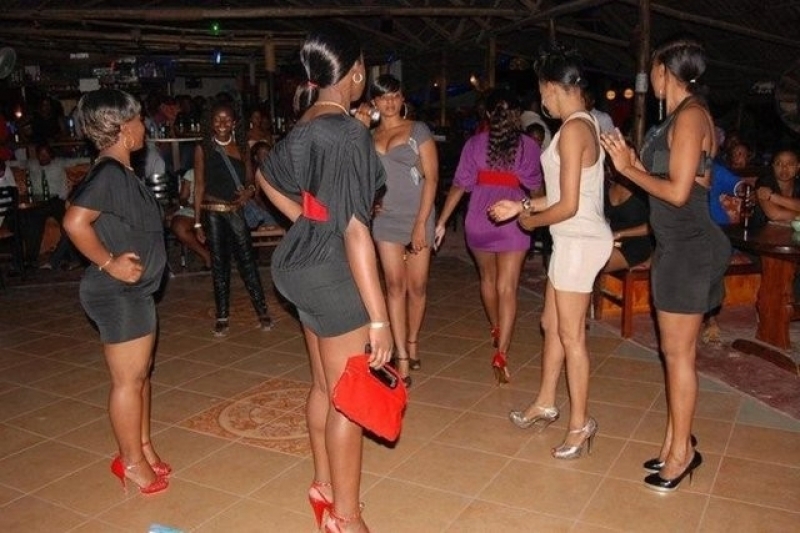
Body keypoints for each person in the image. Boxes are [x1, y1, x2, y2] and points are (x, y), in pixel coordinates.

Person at [256, 28, 392, 533]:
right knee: (350, 402)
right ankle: (345, 518)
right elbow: (356, 231)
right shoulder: (348, 133)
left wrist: (308, 219)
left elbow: (263, 176)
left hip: (298, 265)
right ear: (356, 72)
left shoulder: (305, 123)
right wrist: (379, 318)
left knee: (323, 385)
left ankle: (323, 486)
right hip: (331, 271)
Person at [600, 36, 730, 491]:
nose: (650, 78)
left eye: (653, 69)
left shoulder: (692, 116)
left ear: (663, 70)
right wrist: (632, 162)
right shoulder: (678, 117)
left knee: (679, 356)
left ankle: (683, 454)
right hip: (675, 245)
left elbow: (677, 192)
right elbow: (688, 177)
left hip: (689, 247)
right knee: (672, 354)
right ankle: (675, 442)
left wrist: (628, 169)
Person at [489, 43, 612, 460]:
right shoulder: (579, 124)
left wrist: (531, 220)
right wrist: (520, 205)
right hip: (571, 238)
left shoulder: (575, 129)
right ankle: (545, 402)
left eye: (542, 90)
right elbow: (561, 195)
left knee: (572, 336)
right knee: (550, 323)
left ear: (554, 87)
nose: (541, 99)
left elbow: (569, 205)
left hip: (579, 240)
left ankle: (581, 423)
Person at [62, 88, 169, 495]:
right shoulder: (109, 172)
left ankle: (143, 447)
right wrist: (110, 262)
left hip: (135, 292)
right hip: (117, 292)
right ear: (124, 127)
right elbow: (74, 222)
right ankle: (131, 462)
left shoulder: (118, 171)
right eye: (139, 119)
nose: (144, 126)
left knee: (141, 375)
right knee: (128, 381)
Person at [435, 88, 543, 384]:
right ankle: (502, 352)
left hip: (479, 220)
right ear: (517, 115)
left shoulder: (473, 144)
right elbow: (536, 190)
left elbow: (459, 186)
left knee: (487, 279)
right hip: (513, 220)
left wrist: (441, 222)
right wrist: (538, 215)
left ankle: (496, 327)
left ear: (486, 114)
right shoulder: (528, 146)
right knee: (508, 288)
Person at [366, 73, 438, 386]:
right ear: (374, 102)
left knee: (417, 286)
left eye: (395, 95)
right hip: (386, 218)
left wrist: (421, 223)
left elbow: (432, 178)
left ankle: (412, 341)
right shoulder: (368, 136)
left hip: (418, 214)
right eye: (384, 97)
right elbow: (363, 177)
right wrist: (370, 203)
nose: (390, 102)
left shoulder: (417, 130)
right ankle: (402, 357)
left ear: (402, 98)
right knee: (394, 285)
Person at [193, 102, 274, 337]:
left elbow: (250, 179)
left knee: (248, 261)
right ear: (210, 122)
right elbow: (199, 185)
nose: (222, 124)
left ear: (234, 123)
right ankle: (222, 316)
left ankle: (262, 311)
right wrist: (197, 222)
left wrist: (249, 191)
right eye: (217, 119)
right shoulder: (203, 148)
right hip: (212, 211)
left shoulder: (241, 147)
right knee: (220, 265)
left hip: (236, 210)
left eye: (227, 119)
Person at [22, 143, 69, 267]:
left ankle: (63, 257)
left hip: (57, 201)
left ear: (51, 155)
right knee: (33, 221)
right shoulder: (32, 164)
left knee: (68, 224)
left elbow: (77, 161)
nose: (43, 157)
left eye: (46, 154)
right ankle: (30, 259)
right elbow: (14, 164)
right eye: (41, 154)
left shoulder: (58, 164)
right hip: (39, 202)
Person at [603, 174, 652, 272]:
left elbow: (655, 225)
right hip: (609, 241)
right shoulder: (606, 185)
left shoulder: (645, 189)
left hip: (635, 244)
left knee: (591, 263)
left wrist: (620, 234)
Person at [169, 168, 211, 269]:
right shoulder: (191, 173)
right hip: (194, 209)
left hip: (216, 207)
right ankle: (206, 255)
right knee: (178, 225)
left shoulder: (216, 169)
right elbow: (183, 198)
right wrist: (188, 202)